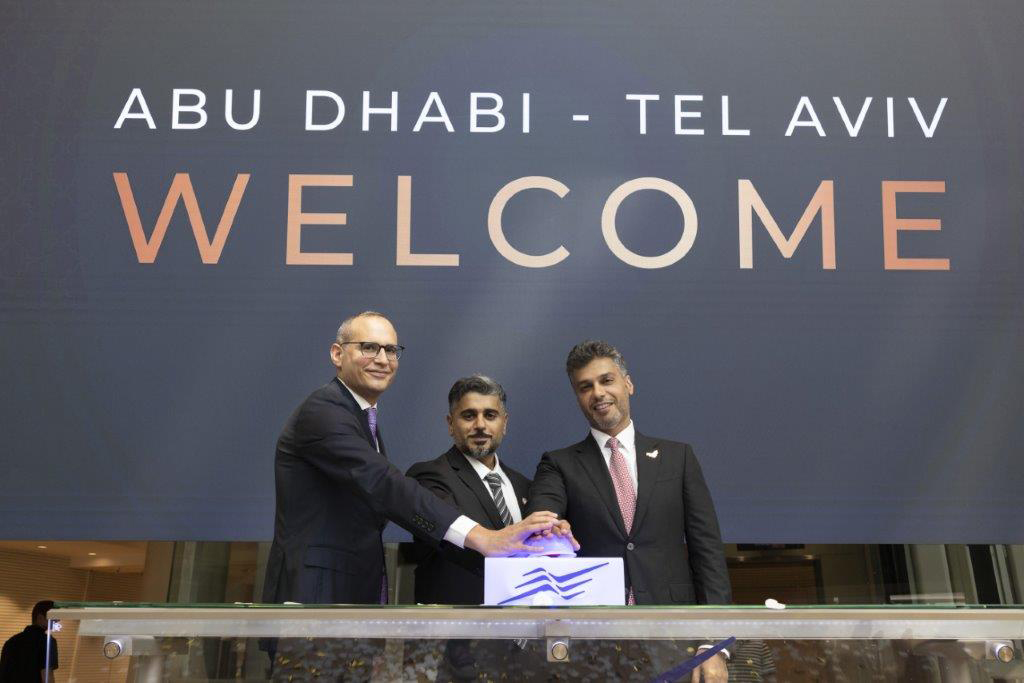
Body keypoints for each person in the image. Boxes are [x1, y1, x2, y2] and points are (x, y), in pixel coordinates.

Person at [261, 312, 559, 679]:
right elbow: (384, 483)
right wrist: (482, 537)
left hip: (350, 615)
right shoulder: (323, 411)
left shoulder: (362, 417)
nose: (382, 359)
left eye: (391, 350)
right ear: (337, 354)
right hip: (316, 609)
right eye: (368, 347)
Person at [527, 340, 732, 682]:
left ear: (628, 384)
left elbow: (707, 553)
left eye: (606, 380)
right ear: (577, 397)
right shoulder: (559, 464)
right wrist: (548, 528)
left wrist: (714, 645)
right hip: (594, 647)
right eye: (585, 387)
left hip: (674, 640)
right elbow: (541, 516)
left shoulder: (678, 458)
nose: (598, 393)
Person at [406, 375, 534, 680]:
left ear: (504, 423)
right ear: (451, 424)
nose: (480, 425)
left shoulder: (525, 486)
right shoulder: (428, 478)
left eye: (490, 415)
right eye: (468, 415)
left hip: (522, 652)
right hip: (454, 655)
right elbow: (451, 533)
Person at [0, 600, 58, 683]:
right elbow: (47, 678)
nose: (58, 620)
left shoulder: (11, 641)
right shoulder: (48, 641)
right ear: (40, 617)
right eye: (54, 617)